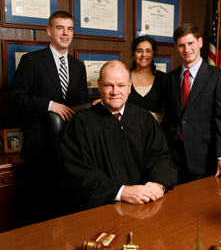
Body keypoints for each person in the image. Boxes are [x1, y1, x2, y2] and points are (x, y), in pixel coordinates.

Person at [61, 60, 177, 212]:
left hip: (145, 206)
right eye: (109, 85)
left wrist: (158, 184)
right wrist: (122, 192)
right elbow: (78, 172)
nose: (115, 92)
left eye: (121, 85)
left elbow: (160, 156)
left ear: (129, 87)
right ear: (99, 85)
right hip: (102, 209)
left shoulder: (143, 118)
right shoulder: (82, 124)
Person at [8, 10, 88, 221]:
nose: (65, 33)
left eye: (69, 29)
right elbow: (15, 97)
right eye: (60, 28)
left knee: (66, 205)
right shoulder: (31, 60)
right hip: (39, 146)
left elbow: (79, 107)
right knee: (39, 207)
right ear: (49, 31)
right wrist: (50, 105)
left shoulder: (79, 67)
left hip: (69, 147)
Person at [161, 23, 221, 184]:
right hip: (173, 159)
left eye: (190, 43)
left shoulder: (219, 78)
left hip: (204, 159)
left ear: (200, 42)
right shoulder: (169, 78)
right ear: (176, 47)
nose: (187, 49)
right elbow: (169, 117)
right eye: (182, 45)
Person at [128, 36, 165, 123]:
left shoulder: (163, 78)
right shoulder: (124, 76)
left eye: (148, 51)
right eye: (139, 51)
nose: (144, 55)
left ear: (153, 54)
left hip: (158, 132)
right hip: (129, 131)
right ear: (133, 53)